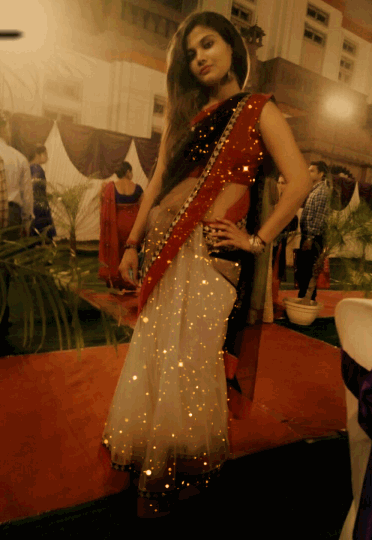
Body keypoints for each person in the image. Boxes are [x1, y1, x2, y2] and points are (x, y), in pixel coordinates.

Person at [101, 11, 312, 518]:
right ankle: (152, 456)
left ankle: (182, 468)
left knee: (193, 361)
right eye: (191, 53)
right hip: (162, 251)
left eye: (208, 44)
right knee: (157, 355)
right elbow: (157, 182)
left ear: (233, 48)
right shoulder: (188, 117)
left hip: (211, 256)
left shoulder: (258, 109)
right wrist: (131, 244)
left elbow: (300, 182)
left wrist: (256, 240)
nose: (199, 57)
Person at [0, 110, 33, 335]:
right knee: (5, 266)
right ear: (5, 129)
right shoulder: (18, 158)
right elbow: (27, 196)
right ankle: (2, 316)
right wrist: (26, 223)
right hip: (11, 215)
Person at [98, 161, 143, 290]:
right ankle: (131, 280)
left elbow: (102, 207)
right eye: (131, 172)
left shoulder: (110, 187)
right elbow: (143, 207)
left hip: (116, 225)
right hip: (133, 225)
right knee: (131, 252)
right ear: (128, 172)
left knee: (118, 252)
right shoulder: (137, 188)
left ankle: (118, 280)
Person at [296, 161, 330, 301]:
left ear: (321, 174)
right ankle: (304, 298)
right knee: (304, 270)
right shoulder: (315, 190)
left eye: (312, 171)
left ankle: (307, 299)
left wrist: (310, 238)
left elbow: (318, 218)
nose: (309, 173)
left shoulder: (321, 192)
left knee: (308, 270)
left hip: (313, 238)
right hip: (308, 236)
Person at [272, 174, 298, 311]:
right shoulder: (271, 199)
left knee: (276, 272)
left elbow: (293, 222)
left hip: (279, 242)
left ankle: (272, 300)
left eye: (283, 183)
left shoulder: (289, 201)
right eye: (279, 182)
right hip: (269, 242)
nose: (280, 185)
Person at [29, 144, 56, 241]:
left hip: (31, 207)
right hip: (40, 208)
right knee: (44, 237)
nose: (47, 157)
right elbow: (35, 188)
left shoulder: (28, 167)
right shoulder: (37, 169)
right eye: (45, 154)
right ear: (38, 154)